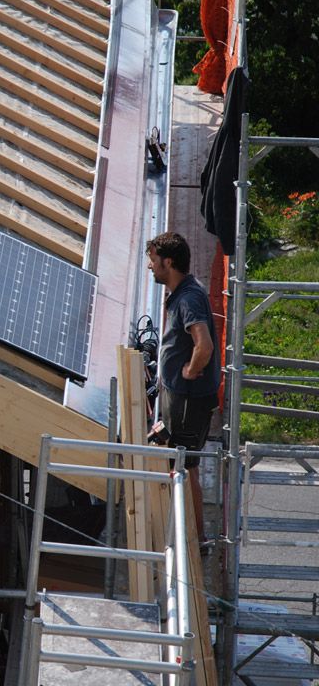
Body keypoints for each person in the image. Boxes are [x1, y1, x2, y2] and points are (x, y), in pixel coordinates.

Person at [146, 231, 220, 547]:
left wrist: (189, 369)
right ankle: (189, 536)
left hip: (189, 400)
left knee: (185, 467)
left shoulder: (188, 299)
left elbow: (204, 346)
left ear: (169, 262)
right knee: (181, 463)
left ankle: (194, 540)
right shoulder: (184, 293)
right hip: (182, 397)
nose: (150, 266)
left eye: (153, 260)